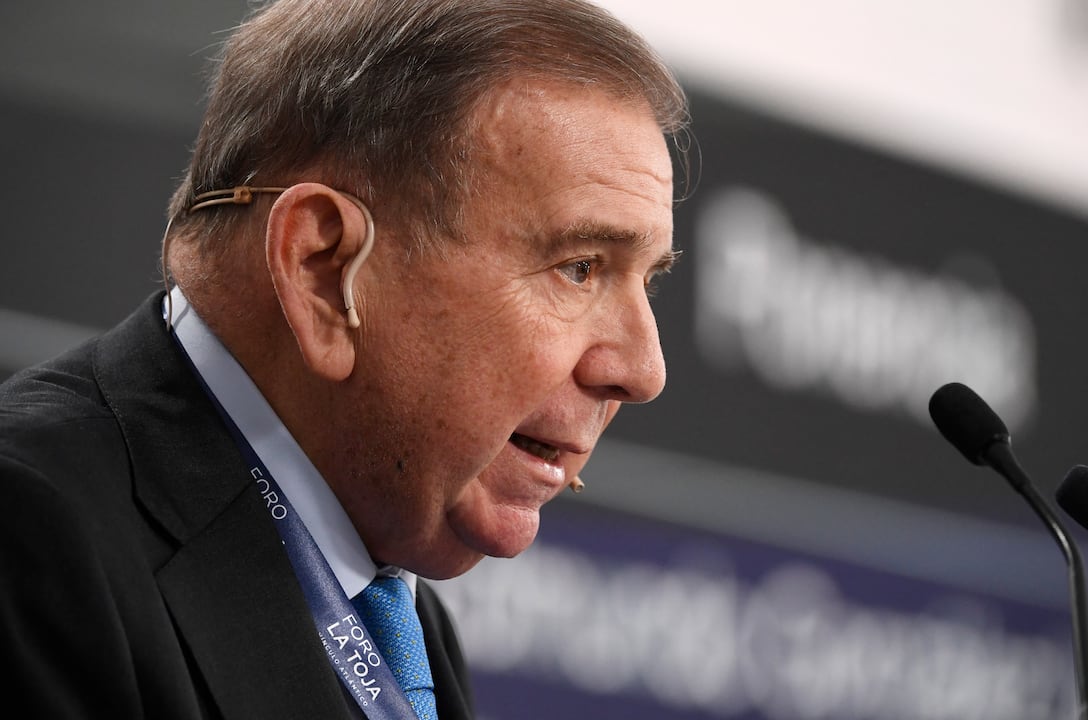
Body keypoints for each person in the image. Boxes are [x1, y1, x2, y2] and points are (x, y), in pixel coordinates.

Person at [0, 0, 689, 717]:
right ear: (323, 272)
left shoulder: (393, 616)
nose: (644, 370)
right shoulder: (35, 539)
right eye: (579, 267)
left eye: (650, 281)